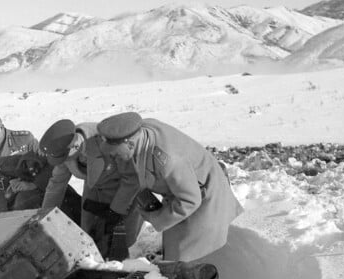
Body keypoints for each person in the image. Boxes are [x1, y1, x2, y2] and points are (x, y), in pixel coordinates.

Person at [96, 111, 242, 263]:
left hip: (206, 199)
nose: (114, 158)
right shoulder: (139, 134)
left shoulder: (168, 160)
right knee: (174, 247)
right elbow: (133, 175)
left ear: (130, 144)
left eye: (116, 154)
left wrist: (156, 217)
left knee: (191, 258)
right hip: (182, 193)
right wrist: (116, 210)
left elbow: (190, 200)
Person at [40, 118, 143, 259]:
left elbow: (132, 178)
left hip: (125, 191)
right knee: (89, 243)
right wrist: (45, 217)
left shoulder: (105, 138)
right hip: (93, 192)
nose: (63, 161)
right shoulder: (62, 150)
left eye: (64, 157)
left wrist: (116, 210)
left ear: (75, 145)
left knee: (123, 244)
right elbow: (56, 184)